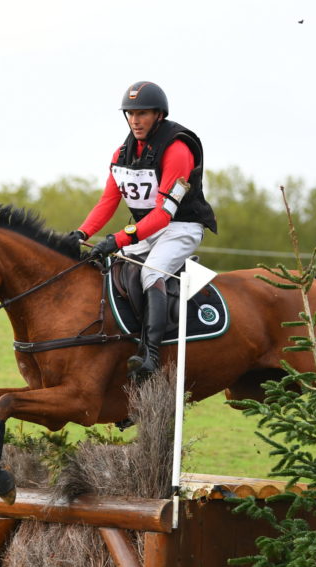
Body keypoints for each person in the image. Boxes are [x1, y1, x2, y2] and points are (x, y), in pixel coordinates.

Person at [71, 80, 218, 381]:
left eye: (143, 114)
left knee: (151, 273)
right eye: (130, 114)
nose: (135, 121)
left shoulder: (177, 149)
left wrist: (118, 238)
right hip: (146, 230)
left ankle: (151, 354)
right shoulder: (122, 153)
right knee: (109, 269)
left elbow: (164, 214)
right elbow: (108, 201)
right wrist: (82, 233)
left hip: (181, 227)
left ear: (159, 115)